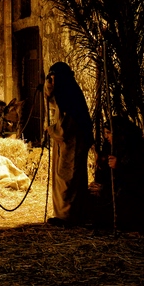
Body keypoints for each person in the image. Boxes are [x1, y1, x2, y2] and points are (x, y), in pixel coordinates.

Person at [44, 61, 94, 227]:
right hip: (64, 144)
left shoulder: (71, 96)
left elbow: (66, 129)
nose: (52, 81)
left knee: (69, 177)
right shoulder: (62, 93)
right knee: (61, 177)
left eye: (54, 78)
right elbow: (50, 99)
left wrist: (51, 130)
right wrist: (48, 85)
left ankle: (69, 215)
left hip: (74, 142)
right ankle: (61, 214)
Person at [88, 116, 144, 233]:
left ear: (120, 134)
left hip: (133, 194)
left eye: (109, 133)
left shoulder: (137, 149)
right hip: (113, 190)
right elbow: (107, 175)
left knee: (123, 198)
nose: (106, 136)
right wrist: (99, 185)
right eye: (105, 133)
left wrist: (119, 166)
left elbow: (137, 178)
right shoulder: (112, 148)